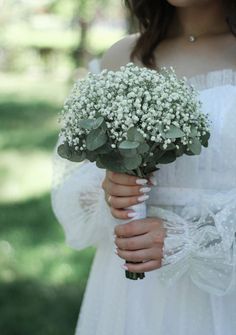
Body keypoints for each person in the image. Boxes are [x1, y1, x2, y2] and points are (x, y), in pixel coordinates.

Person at [51, 0, 236, 334]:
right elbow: (75, 185)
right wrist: (108, 191)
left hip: (222, 296)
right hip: (129, 294)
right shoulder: (122, 56)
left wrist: (190, 240)